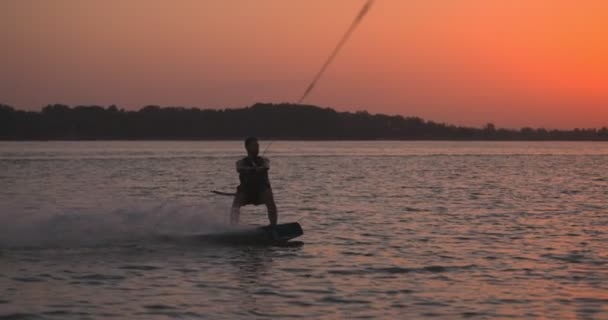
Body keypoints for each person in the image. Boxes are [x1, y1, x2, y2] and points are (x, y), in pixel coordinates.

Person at [231, 137, 278, 226]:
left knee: (269, 196)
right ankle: (232, 227)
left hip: (261, 193)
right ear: (247, 147)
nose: (257, 148)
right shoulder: (241, 162)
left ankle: (273, 226)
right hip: (247, 193)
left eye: (257, 146)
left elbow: (266, 166)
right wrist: (250, 169)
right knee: (236, 204)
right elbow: (239, 168)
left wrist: (260, 168)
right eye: (254, 145)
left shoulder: (264, 160)